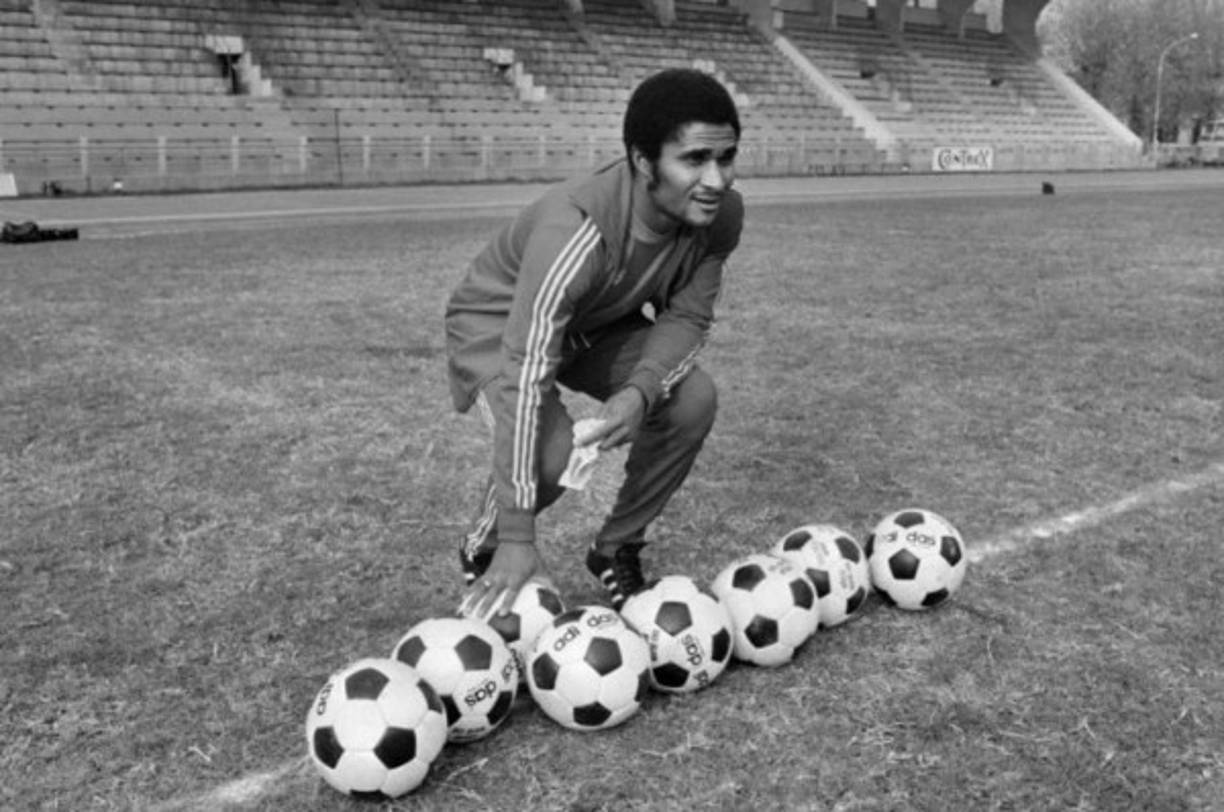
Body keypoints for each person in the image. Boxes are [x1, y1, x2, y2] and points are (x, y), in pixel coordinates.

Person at [448, 68, 744, 619]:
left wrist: (640, 391)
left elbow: (686, 315)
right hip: (498, 326)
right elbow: (525, 371)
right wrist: (518, 535)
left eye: (725, 158)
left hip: (597, 322)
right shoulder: (574, 232)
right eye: (694, 159)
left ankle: (616, 547)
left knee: (690, 400)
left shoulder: (720, 218)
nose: (716, 179)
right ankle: (485, 547)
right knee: (554, 453)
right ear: (641, 160)